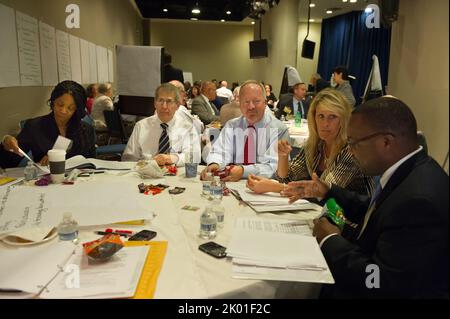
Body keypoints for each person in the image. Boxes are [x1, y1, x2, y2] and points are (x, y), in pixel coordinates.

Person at [282, 96, 449, 298]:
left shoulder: (419, 203)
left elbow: (380, 282)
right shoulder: (413, 169)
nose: (350, 152)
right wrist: (328, 191)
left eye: (354, 143)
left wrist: (330, 240)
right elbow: (376, 211)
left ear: (386, 142)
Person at [247, 88, 373, 199]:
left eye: (332, 117)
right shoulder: (315, 145)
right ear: (314, 118)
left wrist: (272, 187)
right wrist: (283, 157)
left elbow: (322, 193)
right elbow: (287, 178)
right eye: (321, 116)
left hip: (352, 221)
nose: (325, 124)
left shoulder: (351, 150)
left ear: (343, 120)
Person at [201, 80, 290, 181]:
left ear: (265, 103)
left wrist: (243, 171)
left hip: (265, 187)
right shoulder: (232, 125)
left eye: (256, 101)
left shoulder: (279, 129)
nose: (251, 106)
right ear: (240, 104)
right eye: (246, 102)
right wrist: (215, 163)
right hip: (233, 183)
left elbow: (275, 167)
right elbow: (220, 151)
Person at [0, 80, 96, 168]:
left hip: (80, 181)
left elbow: (91, 162)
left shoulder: (86, 130)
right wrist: (6, 143)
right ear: (53, 101)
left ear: (77, 110)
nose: (63, 111)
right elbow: (9, 162)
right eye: (60, 104)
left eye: (70, 108)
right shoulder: (35, 126)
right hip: (46, 181)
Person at [122, 83, 200, 166]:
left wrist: (172, 158)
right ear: (155, 103)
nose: (164, 106)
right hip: (146, 175)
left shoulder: (187, 128)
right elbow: (128, 158)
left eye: (169, 101)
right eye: (160, 100)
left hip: (176, 175)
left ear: (177, 106)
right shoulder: (141, 126)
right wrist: (147, 164)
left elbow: (194, 157)